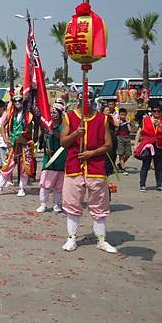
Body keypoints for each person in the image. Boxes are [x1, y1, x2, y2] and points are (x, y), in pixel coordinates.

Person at [60, 103, 117, 253]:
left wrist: (92, 153)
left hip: (96, 168)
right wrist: (74, 134)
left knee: (100, 204)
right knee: (72, 203)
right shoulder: (69, 117)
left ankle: (101, 240)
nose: (85, 103)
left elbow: (108, 144)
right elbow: (63, 142)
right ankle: (71, 237)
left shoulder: (102, 118)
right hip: (74, 166)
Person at [0, 95, 35, 197]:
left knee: (24, 167)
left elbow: (35, 127)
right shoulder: (11, 114)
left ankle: (22, 188)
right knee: (7, 166)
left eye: (19, 100)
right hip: (13, 144)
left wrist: (33, 140)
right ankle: (0, 188)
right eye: (15, 100)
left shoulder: (29, 115)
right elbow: (2, 125)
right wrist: (5, 139)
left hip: (25, 144)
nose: (17, 102)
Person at [36, 102, 66, 213]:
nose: (53, 113)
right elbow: (41, 138)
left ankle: (57, 204)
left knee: (59, 185)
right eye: (51, 111)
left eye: (55, 111)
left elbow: (64, 138)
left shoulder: (64, 125)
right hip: (48, 159)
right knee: (45, 183)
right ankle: (43, 204)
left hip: (61, 158)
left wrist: (53, 132)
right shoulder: (46, 124)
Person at [134, 103, 162, 192]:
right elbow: (139, 132)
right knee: (145, 166)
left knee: (159, 167)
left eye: (159, 111)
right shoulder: (145, 120)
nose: (157, 113)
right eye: (155, 111)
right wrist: (135, 144)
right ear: (152, 111)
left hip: (159, 145)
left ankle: (159, 184)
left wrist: (159, 126)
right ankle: (142, 184)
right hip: (148, 145)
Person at [115, 108, 132, 174]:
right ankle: (123, 168)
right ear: (119, 115)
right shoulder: (117, 121)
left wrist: (127, 122)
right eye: (121, 114)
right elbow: (117, 127)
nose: (123, 116)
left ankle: (120, 164)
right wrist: (119, 120)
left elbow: (130, 130)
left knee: (128, 154)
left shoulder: (127, 121)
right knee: (121, 154)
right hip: (119, 138)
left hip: (127, 138)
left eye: (124, 115)